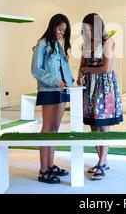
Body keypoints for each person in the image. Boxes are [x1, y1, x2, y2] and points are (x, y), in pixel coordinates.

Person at [77, 13, 123, 181]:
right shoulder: (84, 45)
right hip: (89, 87)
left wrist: (86, 71)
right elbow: (81, 66)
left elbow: (106, 68)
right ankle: (101, 161)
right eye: (83, 29)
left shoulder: (108, 42)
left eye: (87, 28)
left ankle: (102, 163)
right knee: (93, 125)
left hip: (104, 86)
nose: (85, 31)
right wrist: (79, 76)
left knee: (103, 124)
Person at [31, 14, 74, 185]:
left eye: (64, 31)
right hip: (49, 89)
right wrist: (56, 81)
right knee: (47, 128)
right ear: (52, 26)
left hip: (62, 90)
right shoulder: (41, 44)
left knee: (55, 128)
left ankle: (50, 164)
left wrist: (71, 84)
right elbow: (36, 70)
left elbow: (64, 68)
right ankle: (43, 170)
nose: (61, 33)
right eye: (59, 29)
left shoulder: (59, 45)